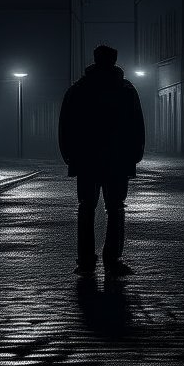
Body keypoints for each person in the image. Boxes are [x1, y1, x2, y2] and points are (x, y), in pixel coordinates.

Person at [58, 44, 145, 276]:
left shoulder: (78, 90)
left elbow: (66, 125)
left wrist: (68, 154)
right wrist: (135, 155)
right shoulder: (126, 90)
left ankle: (86, 260)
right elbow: (137, 126)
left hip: (86, 159)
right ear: (114, 61)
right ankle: (112, 259)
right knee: (115, 208)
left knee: (86, 207)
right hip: (117, 159)